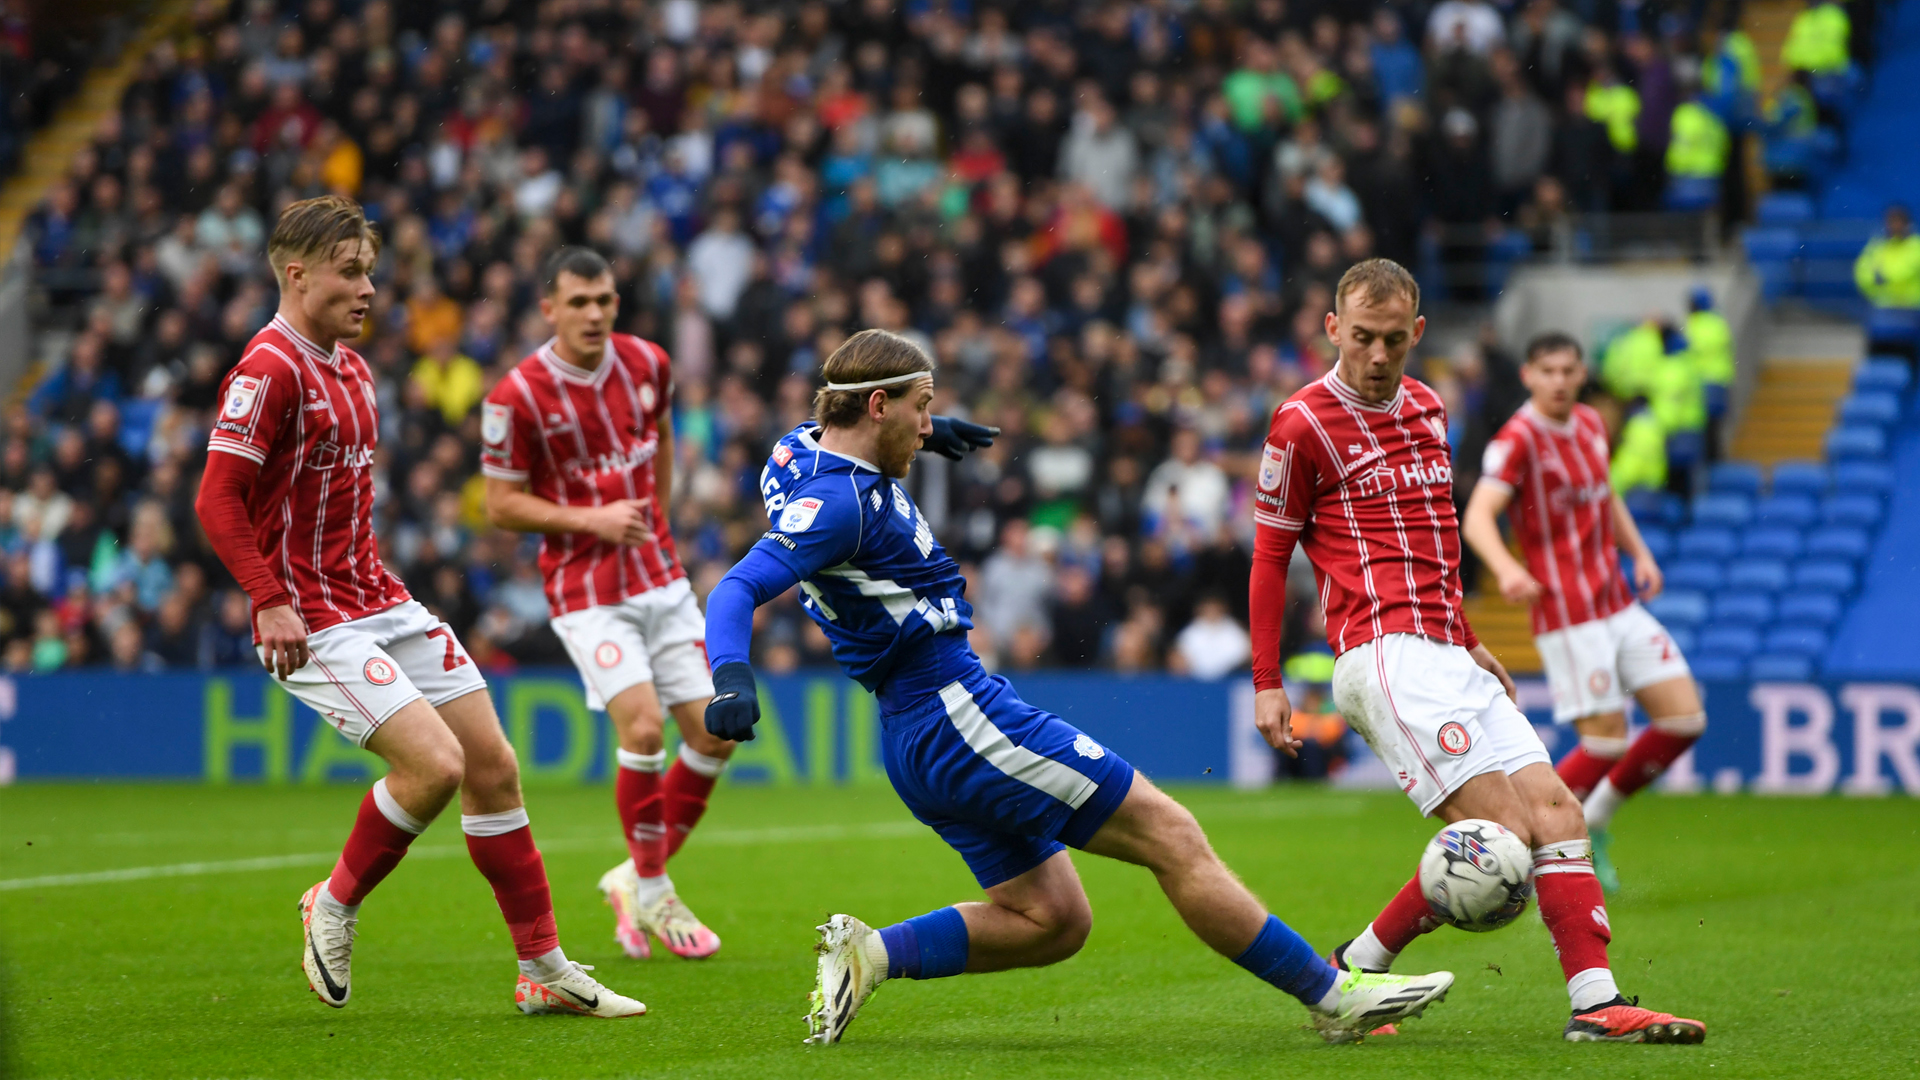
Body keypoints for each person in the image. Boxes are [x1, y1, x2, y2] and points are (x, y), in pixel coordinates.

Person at [700, 328, 1456, 1047]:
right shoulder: (838, 506)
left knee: (1053, 920)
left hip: (915, 734)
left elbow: (834, 430)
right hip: (956, 713)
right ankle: (1334, 997)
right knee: (1173, 835)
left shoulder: (795, 454)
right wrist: (731, 676)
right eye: (922, 407)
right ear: (877, 406)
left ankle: (872, 956)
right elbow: (734, 591)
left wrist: (934, 422)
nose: (927, 427)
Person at [192, 197, 643, 1018]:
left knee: (495, 767)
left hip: (379, 597)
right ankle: (332, 900)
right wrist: (267, 600)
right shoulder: (269, 369)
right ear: (296, 275)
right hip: (309, 616)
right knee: (434, 766)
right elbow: (216, 498)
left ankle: (541, 968)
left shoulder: (355, 369)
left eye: (370, 270)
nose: (370, 288)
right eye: (351, 271)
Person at [1249, 260, 1703, 1044]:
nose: (1379, 355)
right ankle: (1348, 981)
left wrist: (1469, 638)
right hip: (1384, 652)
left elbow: (1437, 538)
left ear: (1418, 334)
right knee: (1505, 837)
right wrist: (1267, 680)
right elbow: (1268, 554)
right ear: (1332, 329)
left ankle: (1594, 1005)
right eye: (1362, 338)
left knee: (1558, 811)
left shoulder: (1428, 406)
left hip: (1448, 650)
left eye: (1395, 340)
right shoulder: (1302, 423)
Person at [481, 246, 731, 961]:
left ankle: (634, 879)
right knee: (646, 731)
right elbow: (501, 505)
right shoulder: (517, 396)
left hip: (658, 578)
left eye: (605, 300)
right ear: (548, 308)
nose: (594, 314)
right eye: (580, 302)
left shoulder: (650, 364)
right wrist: (593, 520)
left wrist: (660, 512)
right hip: (586, 592)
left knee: (714, 734)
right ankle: (652, 889)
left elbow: (659, 446)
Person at [1462, 332, 1709, 892]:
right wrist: (1506, 568)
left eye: (1567, 370)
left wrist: (1639, 551)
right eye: (1546, 371)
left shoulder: (1593, 425)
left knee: (1684, 718)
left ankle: (1590, 819)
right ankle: (1519, 845)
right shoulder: (1517, 439)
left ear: (1580, 375)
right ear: (1528, 376)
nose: (1558, 381)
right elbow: (1478, 516)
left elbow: (1606, 495)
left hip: (1615, 599)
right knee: (1604, 742)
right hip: (1567, 611)